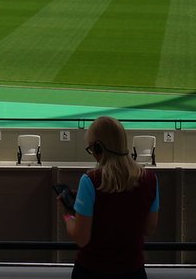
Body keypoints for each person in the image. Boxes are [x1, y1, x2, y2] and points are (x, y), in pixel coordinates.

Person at [60, 116, 159, 279]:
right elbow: (149, 229)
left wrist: (68, 214)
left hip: (92, 271)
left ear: (98, 148)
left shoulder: (90, 180)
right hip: (133, 272)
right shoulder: (150, 179)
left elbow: (81, 238)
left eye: (91, 149)